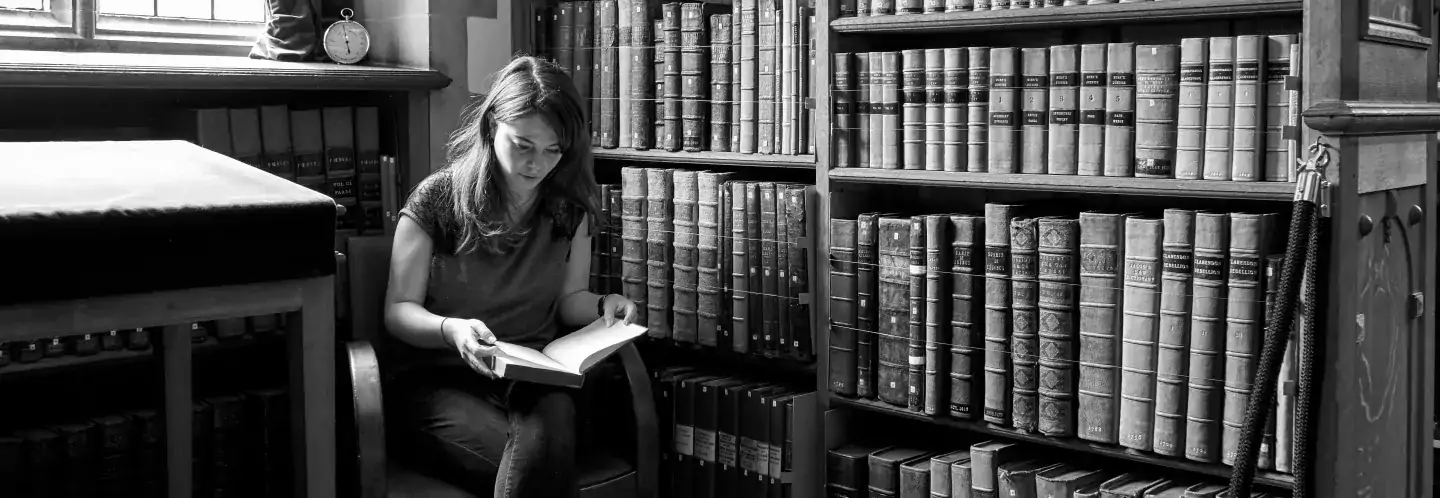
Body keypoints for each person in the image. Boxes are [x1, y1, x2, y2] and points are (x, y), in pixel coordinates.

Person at [381, 55, 639, 498]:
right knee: (540, 464)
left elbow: (568, 298)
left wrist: (602, 305)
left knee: (548, 430)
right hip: (443, 378)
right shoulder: (437, 200)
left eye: (553, 150)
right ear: (490, 128)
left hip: (533, 376)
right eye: (523, 145)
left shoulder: (568, 210)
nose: (537, 164)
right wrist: (451, 331)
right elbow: (398, 311)